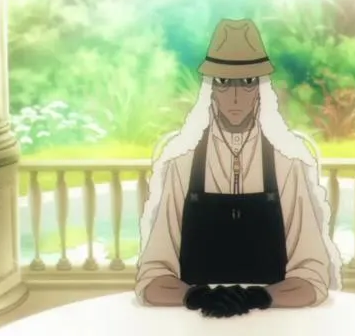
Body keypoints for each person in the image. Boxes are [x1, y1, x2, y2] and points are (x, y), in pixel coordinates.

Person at [134, 19, 342, 318]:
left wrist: (257, 297)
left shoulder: (287, 165)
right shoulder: (182, 165)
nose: (234, 98)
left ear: (260, 89)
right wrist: (198, 296)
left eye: (246, 83)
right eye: (223, 82)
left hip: (273, 323)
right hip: (194, 322)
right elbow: (152, 278)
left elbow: (312, 277)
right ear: (210, 89)